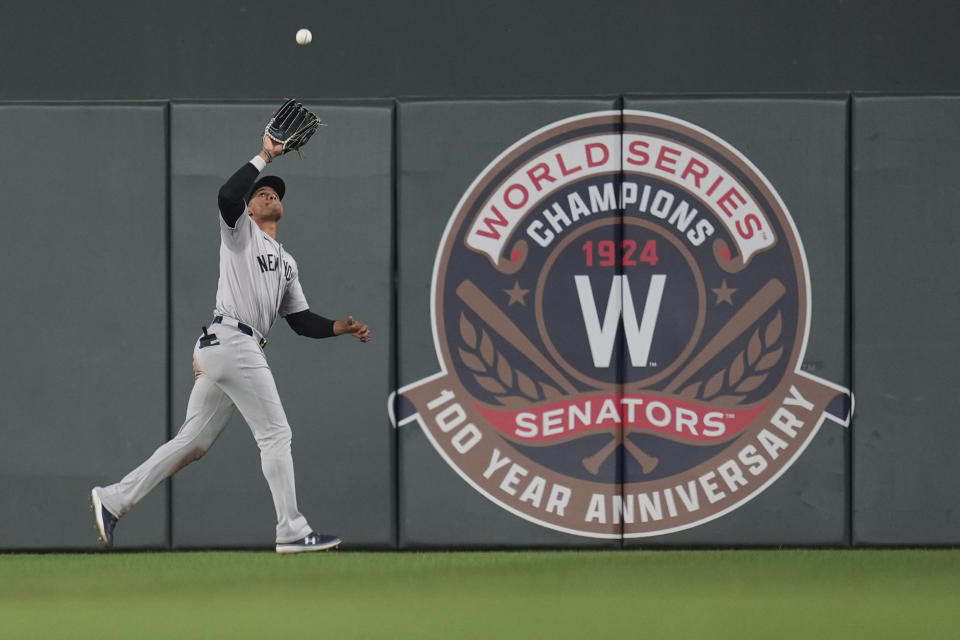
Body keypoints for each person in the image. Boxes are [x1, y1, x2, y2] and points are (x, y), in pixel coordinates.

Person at [91, 131, 370, 553]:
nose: (271, 194)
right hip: (233, 339)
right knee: (276, 433)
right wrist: (265, 156)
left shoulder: (288, 263)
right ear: (251, 206)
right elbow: (226, 195)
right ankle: (291, 529)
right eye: (263, 192)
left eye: (276, 192)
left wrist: (339, 328)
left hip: (231, 347)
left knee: (193, 443)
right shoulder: (240, 233)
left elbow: (299, 321)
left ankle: (113, 499)